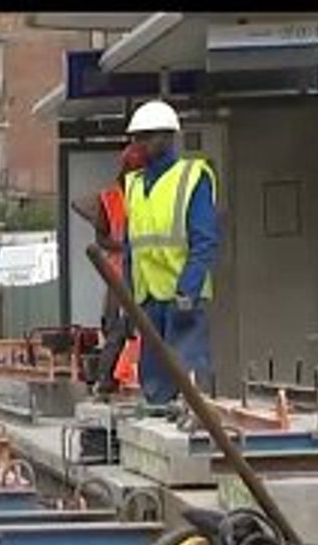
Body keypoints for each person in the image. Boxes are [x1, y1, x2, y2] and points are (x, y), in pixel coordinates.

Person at [122, 99, 221, 405]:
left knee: (187, 376)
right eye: (136, 137)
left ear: (167, 137)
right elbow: (131, 249)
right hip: (149, 300)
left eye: (146, 136)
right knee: (155, 385)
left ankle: (194, 422)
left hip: (182, 298)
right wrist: (127, 301)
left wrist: (187, 291)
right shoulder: (134, 184)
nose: (139, 144)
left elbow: (204, 240)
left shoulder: (193, 178)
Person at [72, 142, 147, 396]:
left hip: (144, 271)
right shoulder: (112, 198)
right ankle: (107, 381)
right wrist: (124, 247)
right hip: (120, 273)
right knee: (118, 330)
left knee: (137, 328)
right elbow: (102, 237)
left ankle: (122, 378)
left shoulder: (148, 195)